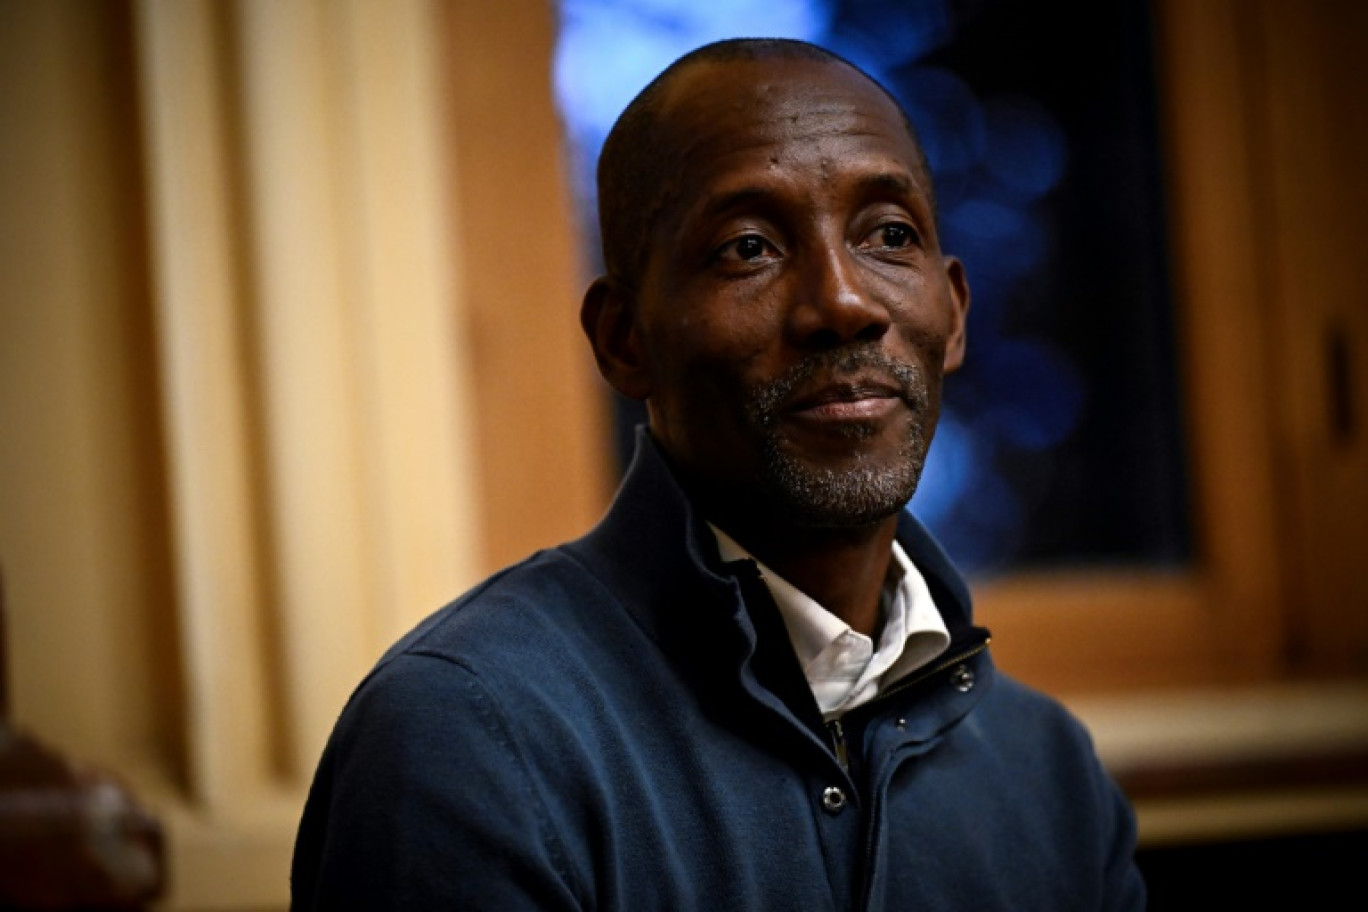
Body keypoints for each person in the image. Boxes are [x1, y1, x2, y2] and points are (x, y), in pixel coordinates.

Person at [291, 38, 1146, 911]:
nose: (844, 303)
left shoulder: (1050, 776)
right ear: (626, 341)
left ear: (954, 314)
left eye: (890, 236)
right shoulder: (468, 740)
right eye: (748, 248)